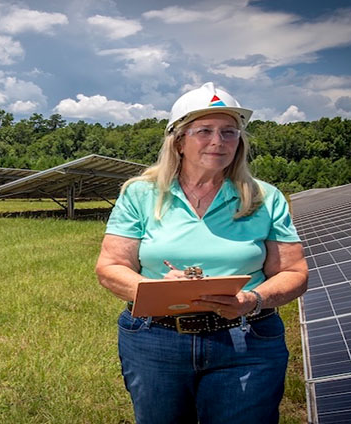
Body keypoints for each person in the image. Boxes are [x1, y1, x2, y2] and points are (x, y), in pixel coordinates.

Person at [95, 82, 308, 424]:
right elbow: (110, 266)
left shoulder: (264, 198)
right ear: (178, 140)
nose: (218, 141)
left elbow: (295, 274)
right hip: (156, 339)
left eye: (229, 132)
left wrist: (251, 300)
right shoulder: (140, 194)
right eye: (204, 131)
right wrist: (159, 293)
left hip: (247, 338)